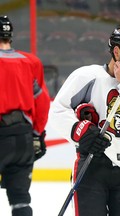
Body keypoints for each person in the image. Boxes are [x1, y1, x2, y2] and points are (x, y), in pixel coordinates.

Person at [49, 25, 120, 216]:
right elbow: (58, 111)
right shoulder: (87, 76)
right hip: (92, 168)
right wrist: (81, 131)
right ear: (116, 51)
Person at [0, 15, 50, 216]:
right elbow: (42, 101)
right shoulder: (30, 62)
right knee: (20, 201)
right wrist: (37, 135)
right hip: (23, 138)